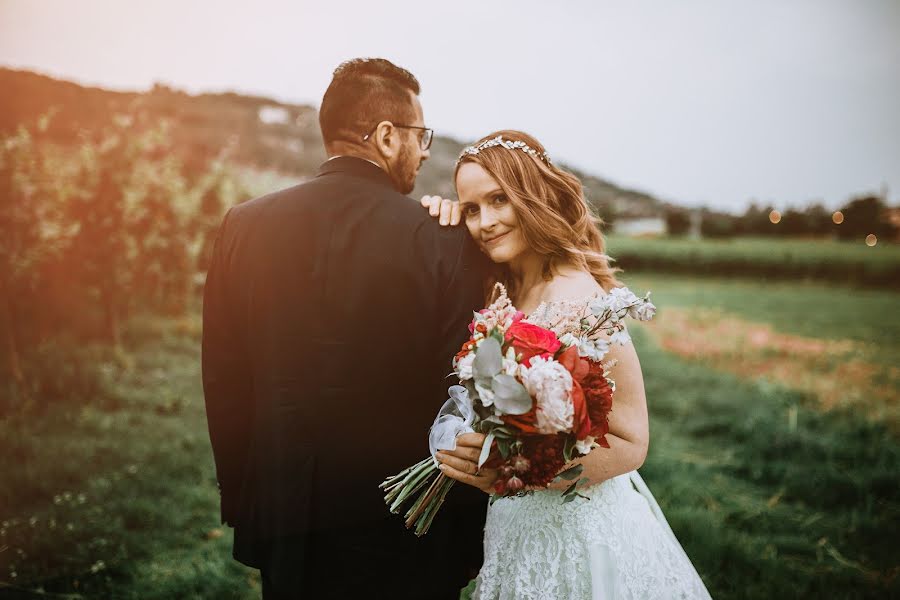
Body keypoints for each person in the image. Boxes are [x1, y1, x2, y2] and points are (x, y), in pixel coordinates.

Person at [201, 58, 489, 599]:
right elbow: (468, 391)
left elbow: (224, 377)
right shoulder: (442, 241)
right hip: (406, 522)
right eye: (419, 135)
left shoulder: (243, 225)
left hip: (287, 511)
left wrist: (246, 501)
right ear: (385, 136)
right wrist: (466, 528)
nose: (425, 149)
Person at [422, 131, 713, 599]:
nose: (485, 221)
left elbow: (631, 441)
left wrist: (512, 471)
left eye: (499, 200)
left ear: (532, 196)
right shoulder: (497, 286)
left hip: (577, 532)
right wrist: (444, 220)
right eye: (472, 208)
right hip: (514, 527)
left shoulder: (581, 299)